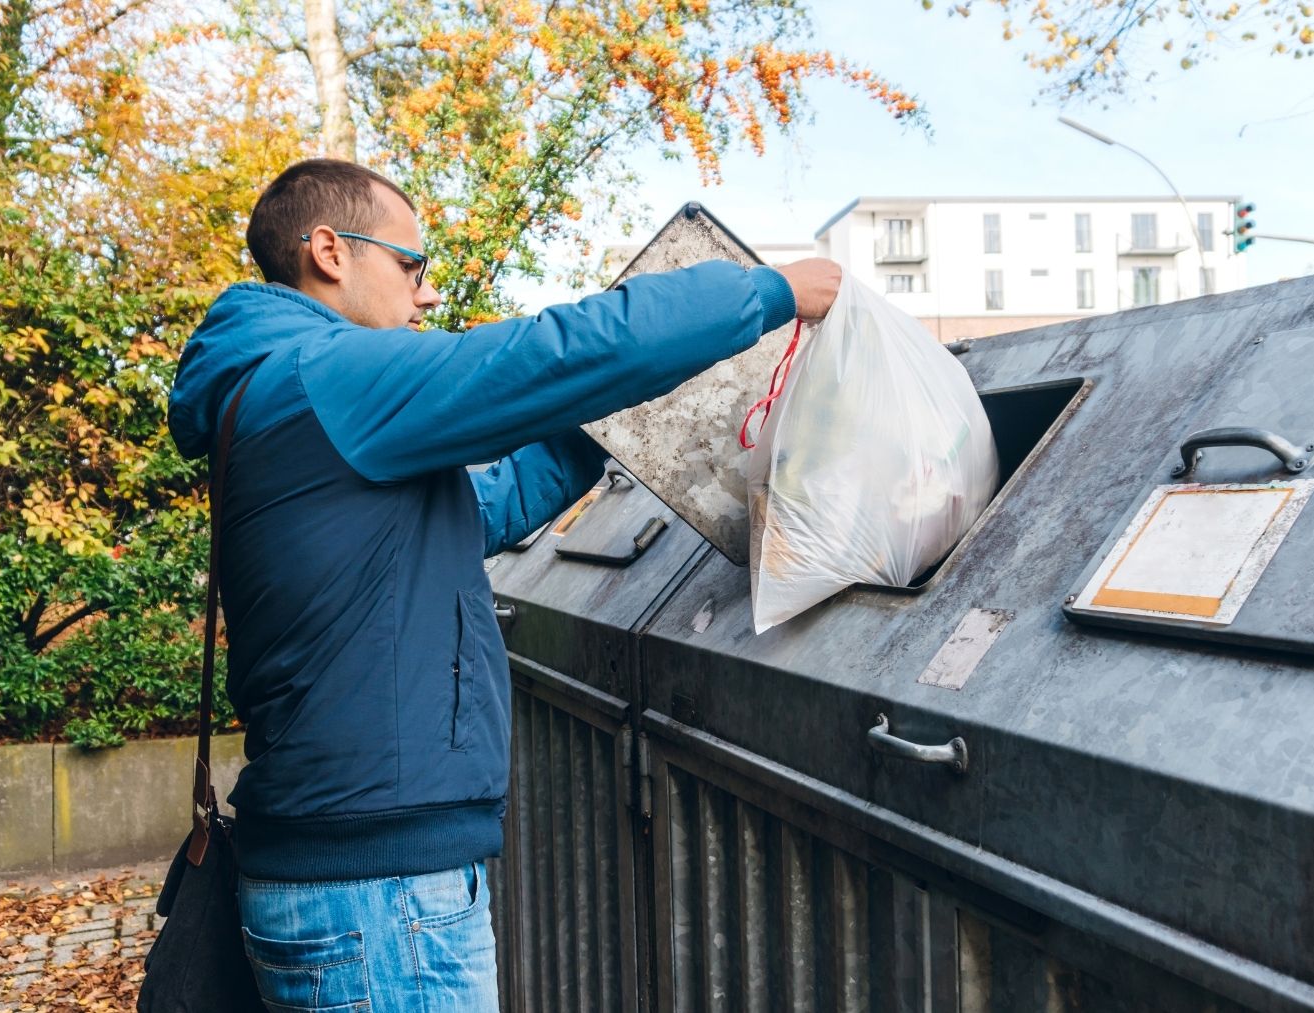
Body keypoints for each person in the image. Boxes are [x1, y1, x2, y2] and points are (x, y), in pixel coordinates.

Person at [167, 158, 840, 1012]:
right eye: (410, 265)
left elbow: (483, 505)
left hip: (351, 879)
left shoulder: (273, 394)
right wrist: (769, 293)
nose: (425, 294)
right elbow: (549, 354)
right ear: (330, 252)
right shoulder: (323, 375)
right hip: (380, 897)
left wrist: (604, 421)